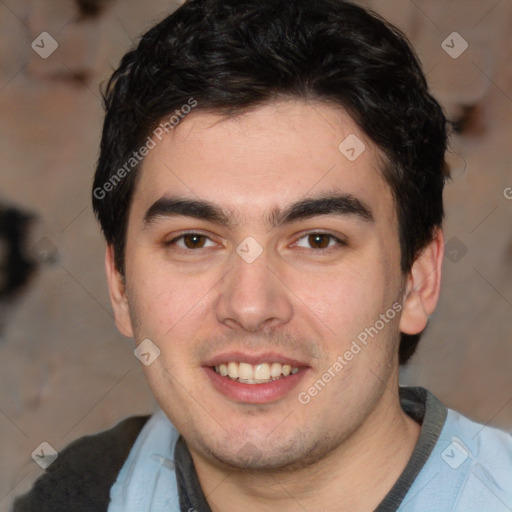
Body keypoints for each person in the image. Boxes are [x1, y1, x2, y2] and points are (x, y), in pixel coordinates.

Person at [13, 0, 512, 510]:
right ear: (120, 284)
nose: (250, 306)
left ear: (418, 279)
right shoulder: (82, 493)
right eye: (194, 240)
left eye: (318, 240)